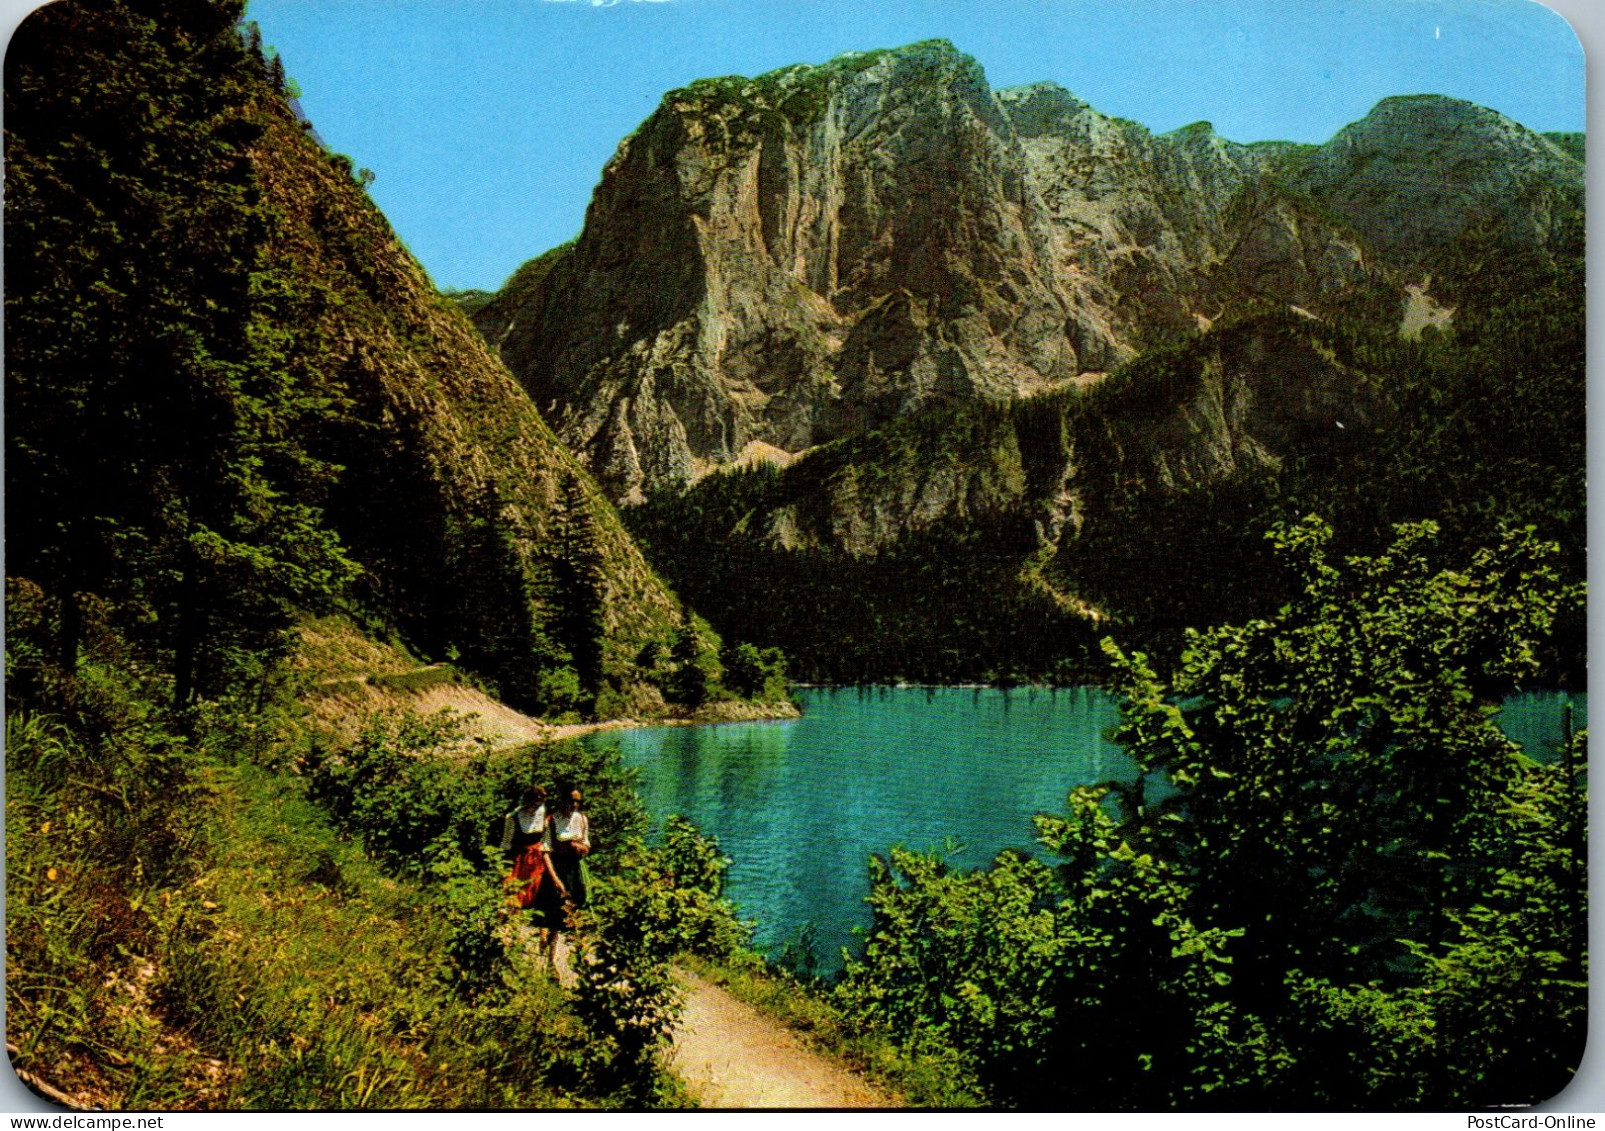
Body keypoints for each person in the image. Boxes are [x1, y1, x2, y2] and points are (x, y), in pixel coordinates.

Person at [500, 785, 565, 965]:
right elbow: (505, 845)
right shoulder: (513, 818)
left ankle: (545, 947)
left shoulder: (542, 813)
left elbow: (545, 841)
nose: (537, 806)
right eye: (534, 802)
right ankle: (510, 946)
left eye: (540, 803)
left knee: (546, 901)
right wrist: (504, 869)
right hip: (520, 862)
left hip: (539, 860)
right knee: (514, 902)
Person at [549, 784, 591, 910]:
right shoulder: (553, 820)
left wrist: (581, 847)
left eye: (577, 801)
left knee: (580, 900)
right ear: (563, 800)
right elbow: (547, 849)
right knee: (560, 902)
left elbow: (586, 844)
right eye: (571, 800)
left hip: (576, 866)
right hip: (558, 866)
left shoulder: (582, 819)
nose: (574, 805)